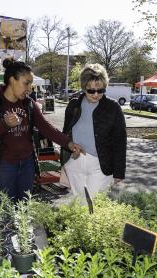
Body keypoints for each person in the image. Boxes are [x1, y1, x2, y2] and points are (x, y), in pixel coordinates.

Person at [0, 57, 83, 202]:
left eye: (30, 84)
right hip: (4, 165)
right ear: (12, 80)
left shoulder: (28, 104)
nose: (29, 88)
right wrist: (4, 125)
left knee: (24, 207)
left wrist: (68, 143)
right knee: (6, 208)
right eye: (26, 83)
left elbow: (46, 127)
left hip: (27, 164)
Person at [61, 63, 126, 199]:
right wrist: (65, 159)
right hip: (76, 161)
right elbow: (66, 133)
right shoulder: (74, 105)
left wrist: (119, 172)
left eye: (100, 90)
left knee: (93, 204)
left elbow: (120, 141)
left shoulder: (113, 108)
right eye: (91, 90)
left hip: (101, 164)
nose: (96, 94)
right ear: (84, 88)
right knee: (78, 203)